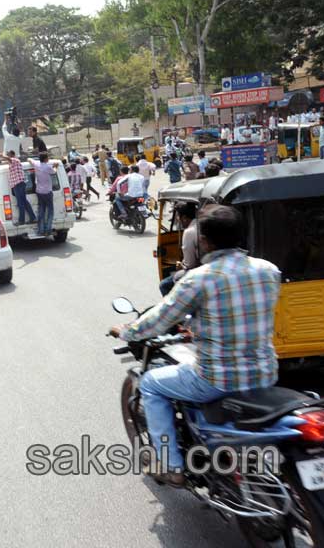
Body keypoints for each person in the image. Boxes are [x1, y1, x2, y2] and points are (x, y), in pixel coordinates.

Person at [110, 205, 280, 486]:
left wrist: (126, 331)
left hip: (217, 379)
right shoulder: (268, 270)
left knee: (151, 383)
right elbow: (243, 314)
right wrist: (198, 328)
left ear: (203, 241)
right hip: (265, 373)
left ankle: (172, 466)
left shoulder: (200, 278)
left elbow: (158, 321)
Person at [159, 203, 200, 296]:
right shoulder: (201, 224)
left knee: (164, 285)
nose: (178, 220)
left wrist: (181, 265)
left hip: (196, 272)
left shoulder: (189, 232)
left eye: (178, 217)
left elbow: (190, 264)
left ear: (184, 217)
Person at [0, 150, 35, 226]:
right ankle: (32, 217)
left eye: (8, 155)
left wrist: (2, 155)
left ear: (12, 154)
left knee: (20, 203)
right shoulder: (13, 162)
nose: (7, 156)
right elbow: (6, 161)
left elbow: (9, 159)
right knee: (24, 202)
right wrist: (1, 160)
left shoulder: (15, 160)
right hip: (18, 184)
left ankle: (21, 220)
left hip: (18, 184)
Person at [28, 153, 60, 236]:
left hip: (39, 192)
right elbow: (54, 172)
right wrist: (55, 166)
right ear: (46, 159)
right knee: (50, 211)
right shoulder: (48, 167)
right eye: (47, 157)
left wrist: (30, 160)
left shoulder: (37, 164)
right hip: (48, 192)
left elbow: (30, 160)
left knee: (41, 211)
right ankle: (48, 229)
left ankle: (41, 230)